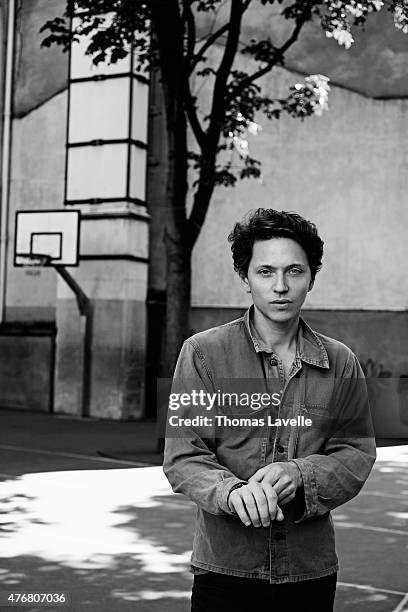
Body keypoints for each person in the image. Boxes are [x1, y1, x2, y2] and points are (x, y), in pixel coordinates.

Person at [163, 209, 376, 612]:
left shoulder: (341, 361)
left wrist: (299, 474)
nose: (280, 286)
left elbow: (356, 452)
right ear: (245, 278)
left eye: (294, 271)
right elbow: (183, 457)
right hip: (225, 570)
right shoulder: (201, 354)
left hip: (309, 571)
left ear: (312, 276)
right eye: (265, 272)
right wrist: (233, 493)